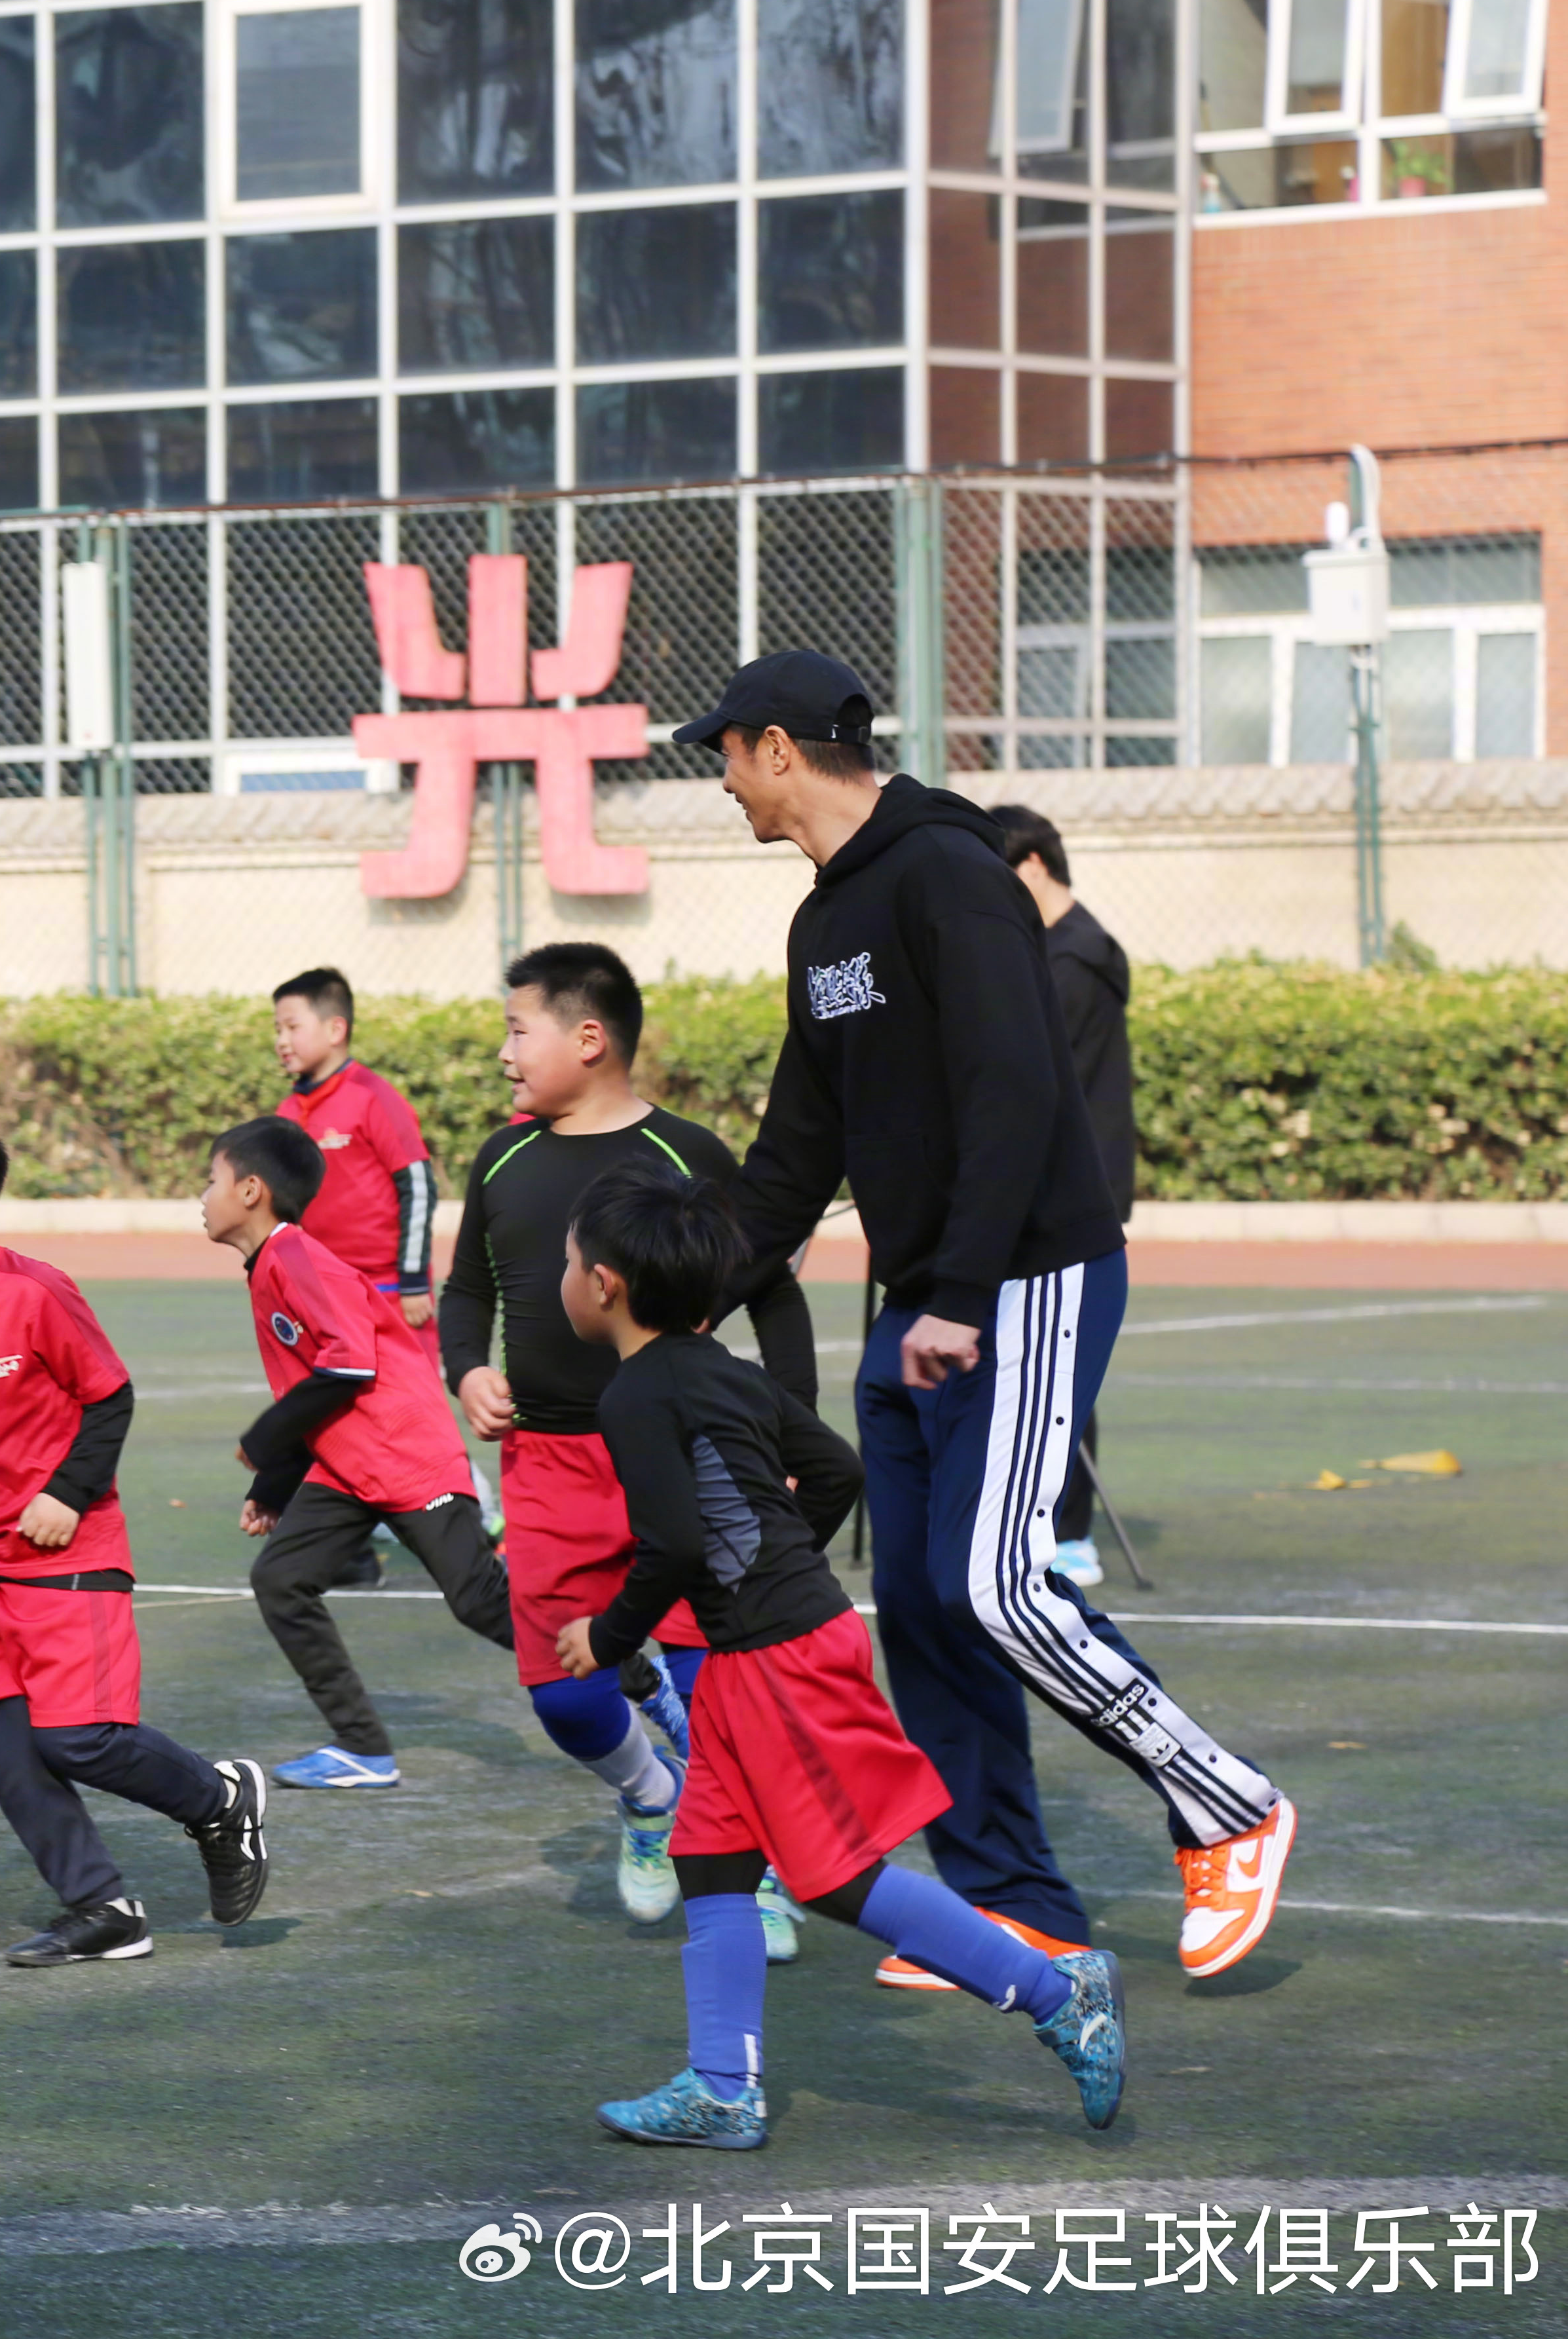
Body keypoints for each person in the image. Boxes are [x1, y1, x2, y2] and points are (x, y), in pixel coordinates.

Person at [682, 650, 1295, 1985]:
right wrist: (681, 1302)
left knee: (1001, 1583)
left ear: (777, 748)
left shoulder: (951, 875)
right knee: (920, 1601)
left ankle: (1232, 1804)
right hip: (930, 1302)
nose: (717, 780)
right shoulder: (823, 923)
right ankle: (1015, 1899)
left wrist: (961, 1295)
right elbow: (798, 1152)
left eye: (720, 753)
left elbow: (1016, 1092)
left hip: (1022, 1282)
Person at [554, 1165, 1123, 2151]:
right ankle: (723, 2086)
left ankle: (1057, 1990)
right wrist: (779, 1559)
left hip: (777, 1654)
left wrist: (607, 1637)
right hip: (757, 1648)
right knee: (713, 1862)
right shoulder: (730, 1372)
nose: (561, 1279)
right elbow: (835, 1472)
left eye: (566, 1263)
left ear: (605, 1284)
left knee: (832, 1877)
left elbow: (678, 1546)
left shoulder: (637, 1395)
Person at [0, 1104, 269, 1964]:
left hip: (68, 1562)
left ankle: (219, 1799)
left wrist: (67, 1492)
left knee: (78, 1737)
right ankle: (103, 1907)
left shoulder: (32, 1293)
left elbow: (109, 1399)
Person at [441, 943, 817, 1949]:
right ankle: (652, 1798)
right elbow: (467, 1288)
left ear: (590, 1037)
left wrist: (787, 1428)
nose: (505, 1053)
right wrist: (468, 1368)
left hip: (688, 1457)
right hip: (550, 1468)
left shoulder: (692, 1157)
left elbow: (774, 1293)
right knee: (565, 1694)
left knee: (717, 1684)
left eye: (519, 1030)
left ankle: (752, 1868)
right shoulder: (504, 1158)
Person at [198, 1117, 529, 1798]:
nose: (202, 1196)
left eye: (212, 1181)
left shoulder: (296, 1258)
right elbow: (309, 1387)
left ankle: (637, 1680)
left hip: (407, 1456)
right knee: (281, 1580)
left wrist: (262, 1440)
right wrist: (274, 1484)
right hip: (350, 1466)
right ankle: (363, 1749)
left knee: (478, 1603)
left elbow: (345, 1369)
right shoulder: (267, 1267)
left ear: (253, 1191)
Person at [986, 805, 1137, 1590]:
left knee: (1059, 1352)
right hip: (1065, 1177)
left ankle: (1069, 1528)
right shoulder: (1057, 950)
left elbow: (1043, 1082)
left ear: (1035, 866)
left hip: (1075, 1185)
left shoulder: (1074, 959)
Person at [265, 968, 475, 1500]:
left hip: (386, 1290)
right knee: (335, 1408)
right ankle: (362, 1513)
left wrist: (411, 1282)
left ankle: (476, 1511)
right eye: (276, 1029)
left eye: (292, 1026)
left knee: (414, 1407)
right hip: (326, 1295)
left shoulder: (372, 1097)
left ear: (336, 1029)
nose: (281, 1041)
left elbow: (419, 1186)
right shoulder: (289, 1113)